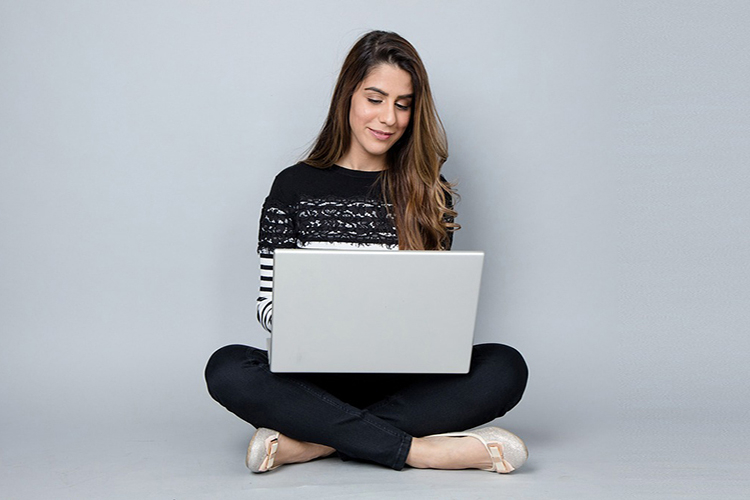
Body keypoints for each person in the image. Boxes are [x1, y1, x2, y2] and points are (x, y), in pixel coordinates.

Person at [204, 30, 529, 474]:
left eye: (402, 103)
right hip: (312, 379)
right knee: (226, 368)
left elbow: (436, 312)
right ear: (348, 97)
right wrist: (314, 320)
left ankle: (315, 441)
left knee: (506, 367)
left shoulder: (429, 192)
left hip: (404, 382)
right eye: (375, 98)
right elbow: (266, 303)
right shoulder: (292, 187)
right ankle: (420, 451)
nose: (389, 118)